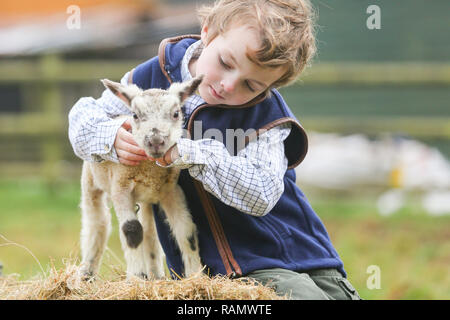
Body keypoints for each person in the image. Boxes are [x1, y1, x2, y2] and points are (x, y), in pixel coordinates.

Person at [68, 0, 361, 300]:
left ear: (271, 87)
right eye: (225, 62)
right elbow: (83, 119)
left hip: (293, 256)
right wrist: (111, 136)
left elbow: (261, 193)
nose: (229, 85)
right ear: (207, 32)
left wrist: (193, 153)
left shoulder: (267, 116)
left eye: (251, 84)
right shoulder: (150, 78)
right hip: (222, 275)